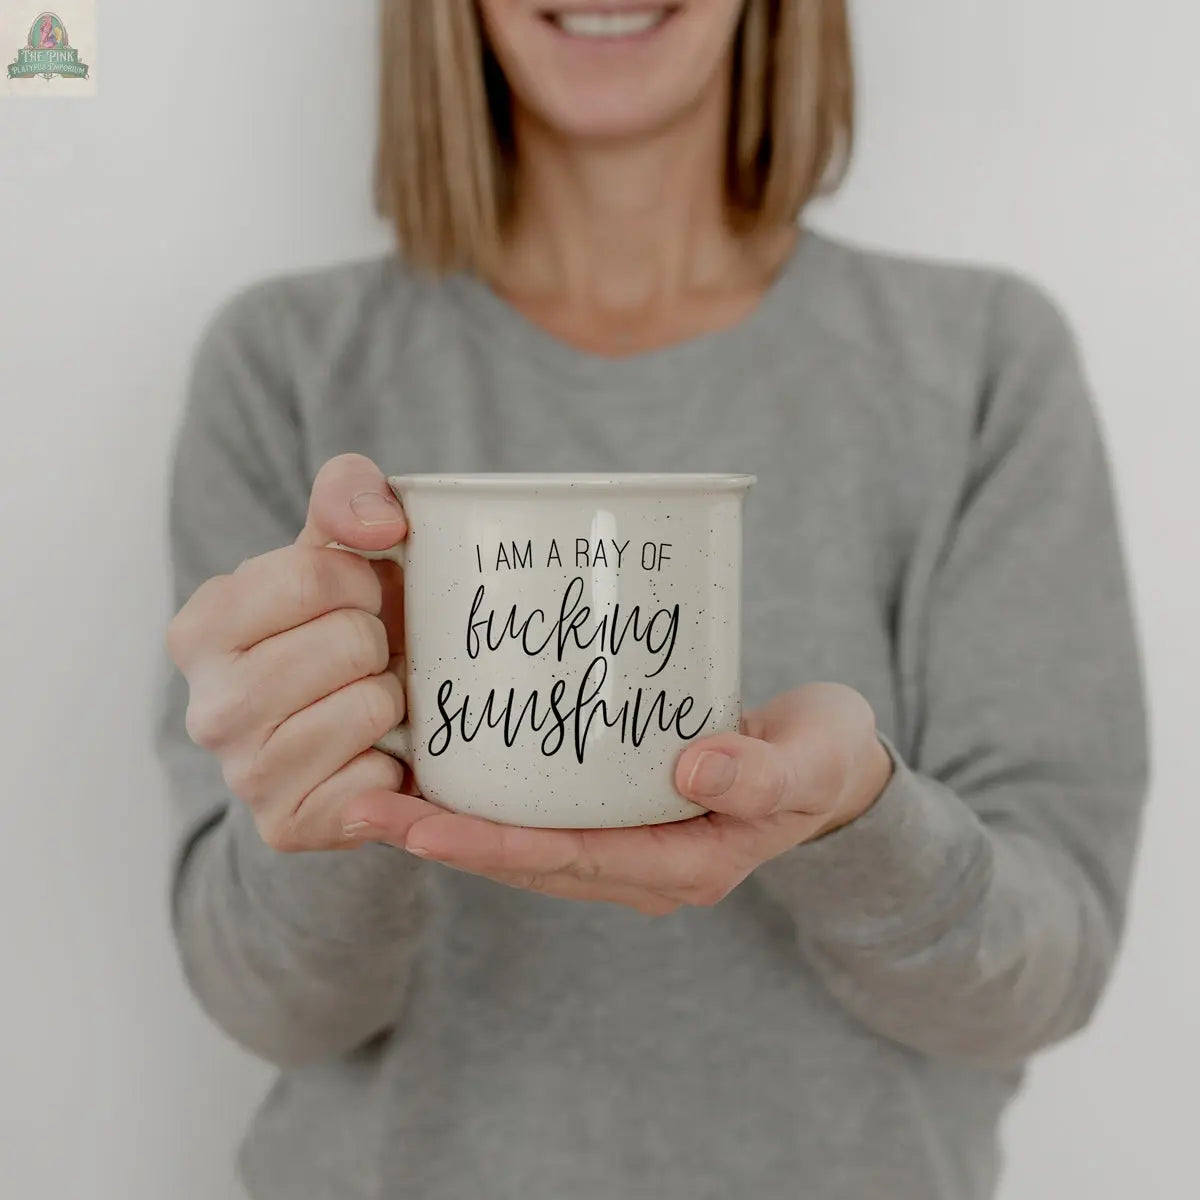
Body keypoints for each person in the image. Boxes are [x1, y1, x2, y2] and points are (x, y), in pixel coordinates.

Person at [157, 2, 1149, 1198]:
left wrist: (857, 824)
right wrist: (333, 803)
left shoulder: (983, 362)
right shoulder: (285, 366)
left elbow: (1049, 976)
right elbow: (270, 1006)